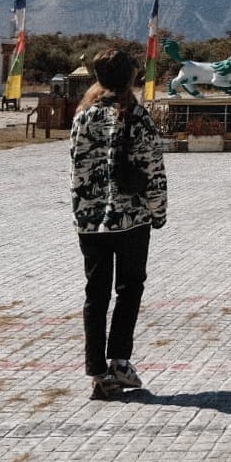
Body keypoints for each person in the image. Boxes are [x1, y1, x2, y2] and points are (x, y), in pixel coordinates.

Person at [70, 49, 167, 400]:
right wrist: (159, 212)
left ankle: (96, 370)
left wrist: (80, 212)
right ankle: (120, 360)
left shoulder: (83, 116)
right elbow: (153, 170)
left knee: (95, 295)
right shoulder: (137, 117)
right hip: (131, 219)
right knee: (129, 289)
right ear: (131, 78)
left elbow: (76, 170)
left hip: (90, 221)